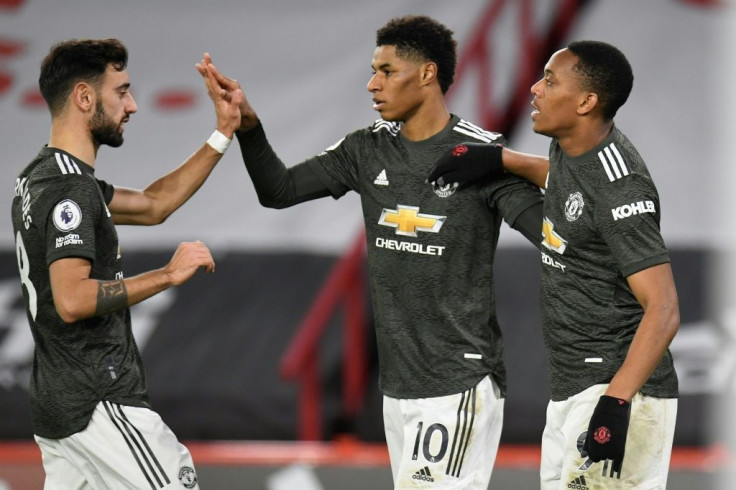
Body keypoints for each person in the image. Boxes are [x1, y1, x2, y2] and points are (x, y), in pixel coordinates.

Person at [198, 15, 543, 489]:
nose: (371, 84)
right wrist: (250, 127)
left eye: (386, 70)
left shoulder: (482, 156)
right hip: (398, 388)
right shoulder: (366, 149)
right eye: (372, 70)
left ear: (427, 74)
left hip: (457, 383)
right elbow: (278, 190)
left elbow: (553, 234)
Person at [428, 40, 679, 489]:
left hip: (615, 391)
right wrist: (500, 158)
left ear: (586, 102)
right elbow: (566, 182)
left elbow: (664, 308)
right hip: (573, 387)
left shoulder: (623, 189)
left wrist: (615, 404)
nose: (534, 88)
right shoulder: (573, 147)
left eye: (550, 80)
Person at [11, 38, 242, 488]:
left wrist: (222, 131)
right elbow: (73, 299)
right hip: (98, 400)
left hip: (60, 406)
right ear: (83, 96)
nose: (132, 104)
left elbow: (155, 204)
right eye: (121, 91)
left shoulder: (40, 176)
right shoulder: (69, 191)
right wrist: (167, 275)